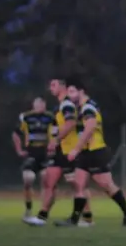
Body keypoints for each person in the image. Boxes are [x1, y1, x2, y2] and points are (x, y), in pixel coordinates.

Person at [62, 77, 126, 227]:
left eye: (72, 92)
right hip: (85, 152)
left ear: (81, 91)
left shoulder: (88, 107)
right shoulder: (82, 107)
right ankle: (74, 219)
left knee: (107, 186)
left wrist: (75, 148)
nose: (69, 96)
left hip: (95, 151)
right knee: (79, 184)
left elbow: (90, 127)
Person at [23, 78, 92, 227]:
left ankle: (87, 218)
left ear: (63, 87)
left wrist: (56, 139)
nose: (51, 88)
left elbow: (71, 123)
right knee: (49, 182)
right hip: (60, 151)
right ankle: (42, 217)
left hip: (70, 150)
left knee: (77, 185)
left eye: (54, 85)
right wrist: (54, 141)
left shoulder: (67, 104)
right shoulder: (58, 107)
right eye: (50, 85)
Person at [13, 97, 56, 220]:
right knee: (28, 179)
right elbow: (16, 134)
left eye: (42, 105)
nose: (40, 107)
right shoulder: (25, 117)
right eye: (38, 105)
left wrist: (52, 147)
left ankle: (43, 211)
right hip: (31, 153)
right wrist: (19, 150)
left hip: (45, 154)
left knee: (46, 180)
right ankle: (28, 208)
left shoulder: (50, 117)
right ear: (33, 105)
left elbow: (55, 134)